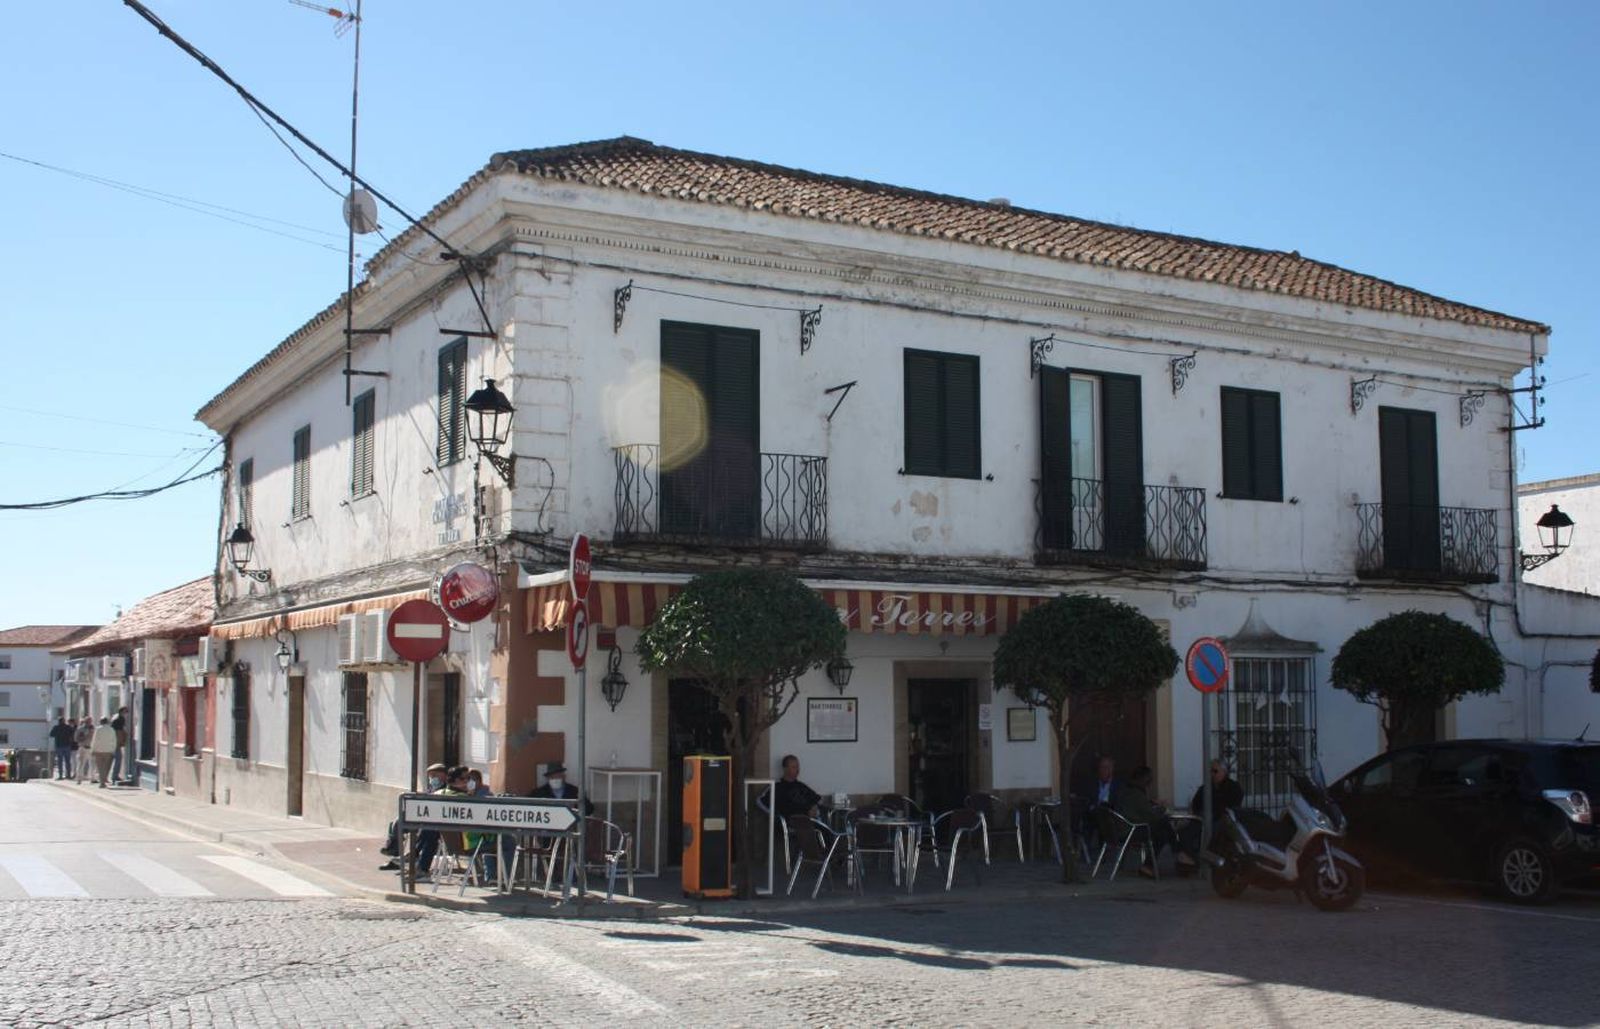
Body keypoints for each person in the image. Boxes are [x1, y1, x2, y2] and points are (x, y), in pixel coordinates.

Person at [1113, 765, 1194, 877]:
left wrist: (1151, 804)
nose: (1150, 784)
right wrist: (1162, 808)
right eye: (1149, 781)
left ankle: (1153, 864)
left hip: (1124, 829)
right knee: (1163, 826)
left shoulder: (1127, 791)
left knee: (1162, 830)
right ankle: (1178, 854)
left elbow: (1140, 810)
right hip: (1130, 831)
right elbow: (1151, 816)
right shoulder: (1136, 794)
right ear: (1144, 780)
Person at [379, 763, 449, 872]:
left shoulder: (446, 789)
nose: (432, 779)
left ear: (444, 775)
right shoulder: (431, 788)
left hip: (431, 823)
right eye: (430, 776)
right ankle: (395, 851)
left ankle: (409, 857)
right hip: (422, 819)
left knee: (425, 830)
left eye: (435, 775)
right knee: (398, 821)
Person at [772, 755, 822, 819]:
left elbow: (817, 799)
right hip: (793, 822)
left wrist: (814, 808)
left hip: (811, 820)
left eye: (798, 767)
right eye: (794, 767)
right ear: (785, 769)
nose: (797, 770)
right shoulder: (778, 787)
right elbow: (783, 809)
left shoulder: (801, 785)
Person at [89, 717, 119, 788]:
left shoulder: (98, 729)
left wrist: (92, 749)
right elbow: (114, 741)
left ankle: (102, 783)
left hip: (99, 751)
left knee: (100, 767)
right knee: (106, 767)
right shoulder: (112, 729)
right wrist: (113, 750)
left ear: (101, 722)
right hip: (108, 751)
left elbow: (95, 740)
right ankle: (104, 779)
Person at [110, 706, 129, 783]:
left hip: (113, 742)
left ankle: (113, 775)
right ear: (122, 711)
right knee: (118, 758)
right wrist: (122, 741)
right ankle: (114, 776)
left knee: (115, 759)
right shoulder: (120, 719)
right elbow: (119, 732)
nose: (126, 713)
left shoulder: (115, 718)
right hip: (116, 743)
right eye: (125, 712)